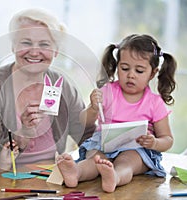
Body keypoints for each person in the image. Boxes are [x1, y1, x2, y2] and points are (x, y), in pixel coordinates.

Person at [0, 8, 94, 169]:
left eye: (44, 44)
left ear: (56, 50)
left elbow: (86, 134)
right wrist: (22, 134)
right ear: (13, 46)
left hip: (50, 177)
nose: (35, 52)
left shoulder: (63, 86)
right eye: (26, 43)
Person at [57, 34, 177, 192]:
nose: (131, 75)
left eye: (139, 70)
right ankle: (75, 172)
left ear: (153, 73)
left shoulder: (154, 102)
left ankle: (114, 176)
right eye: (125, 68)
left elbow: (167, 139)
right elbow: (84, 122)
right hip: (104, 144)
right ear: (117, 65)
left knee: (127, 162)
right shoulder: (107, 92)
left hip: (137, 149)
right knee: (94, 159)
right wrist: (93, 108)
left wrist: (154, 143)